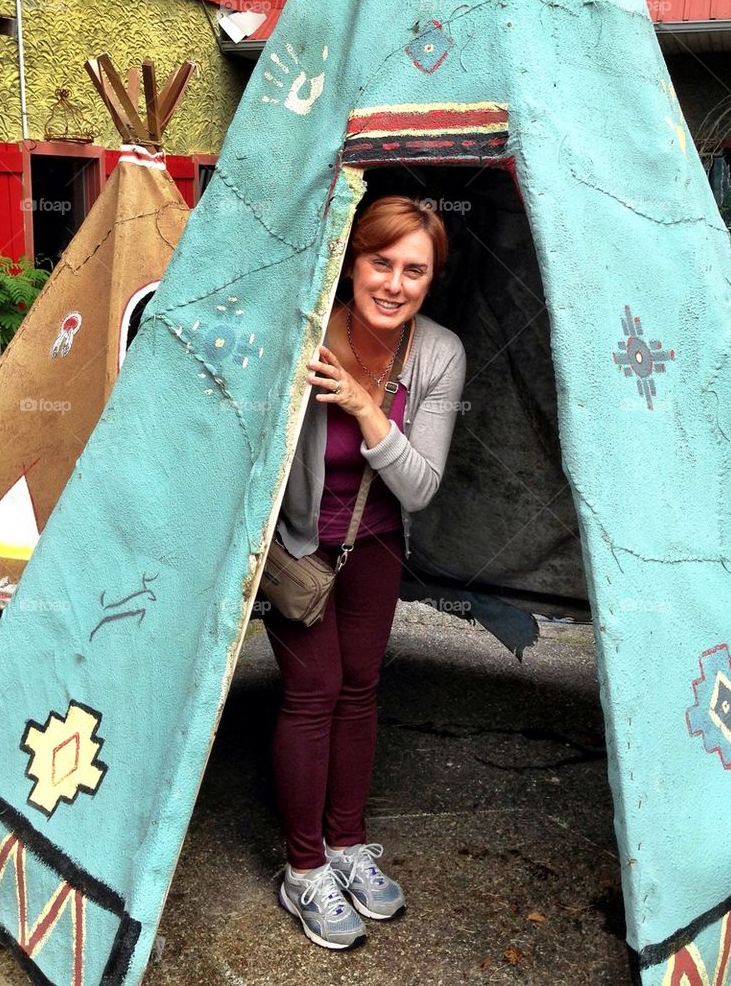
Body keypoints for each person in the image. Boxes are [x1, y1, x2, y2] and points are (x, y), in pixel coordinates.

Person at [265, 195, 467, 950]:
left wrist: (364, 406)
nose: (394, 281)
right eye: (380, 262)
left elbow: (419, 485)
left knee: (359, 685)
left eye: (414, 269)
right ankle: (304, 865)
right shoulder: (307, 330)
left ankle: (347, 842)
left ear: (430, 280)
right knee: (313, 689)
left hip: (375, 543)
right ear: (351, 260)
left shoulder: (439, 353)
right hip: (296, 545)